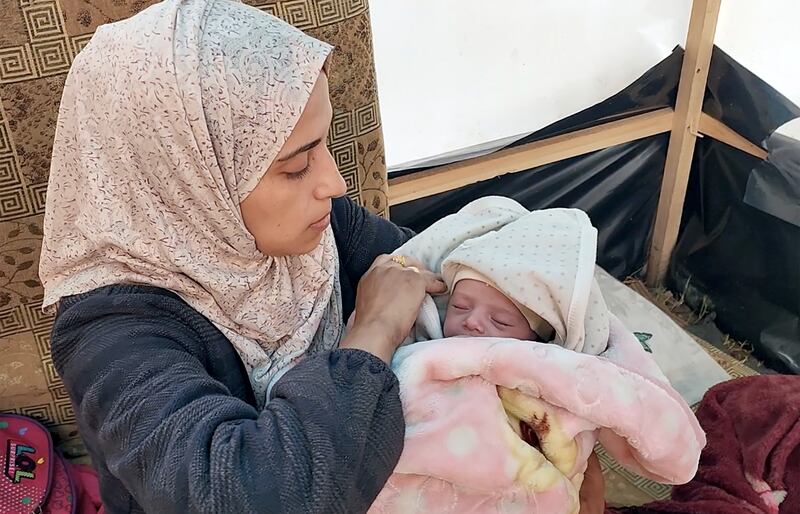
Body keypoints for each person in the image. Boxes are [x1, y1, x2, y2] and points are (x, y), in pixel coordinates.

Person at [39, 0, 605, 512]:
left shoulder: (305, 231)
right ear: (187, 180)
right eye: (294, 166)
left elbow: (438, 273)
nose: (334, 183)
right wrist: (375, 330)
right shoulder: (110, 335)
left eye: (325, 145)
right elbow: (255, 496)